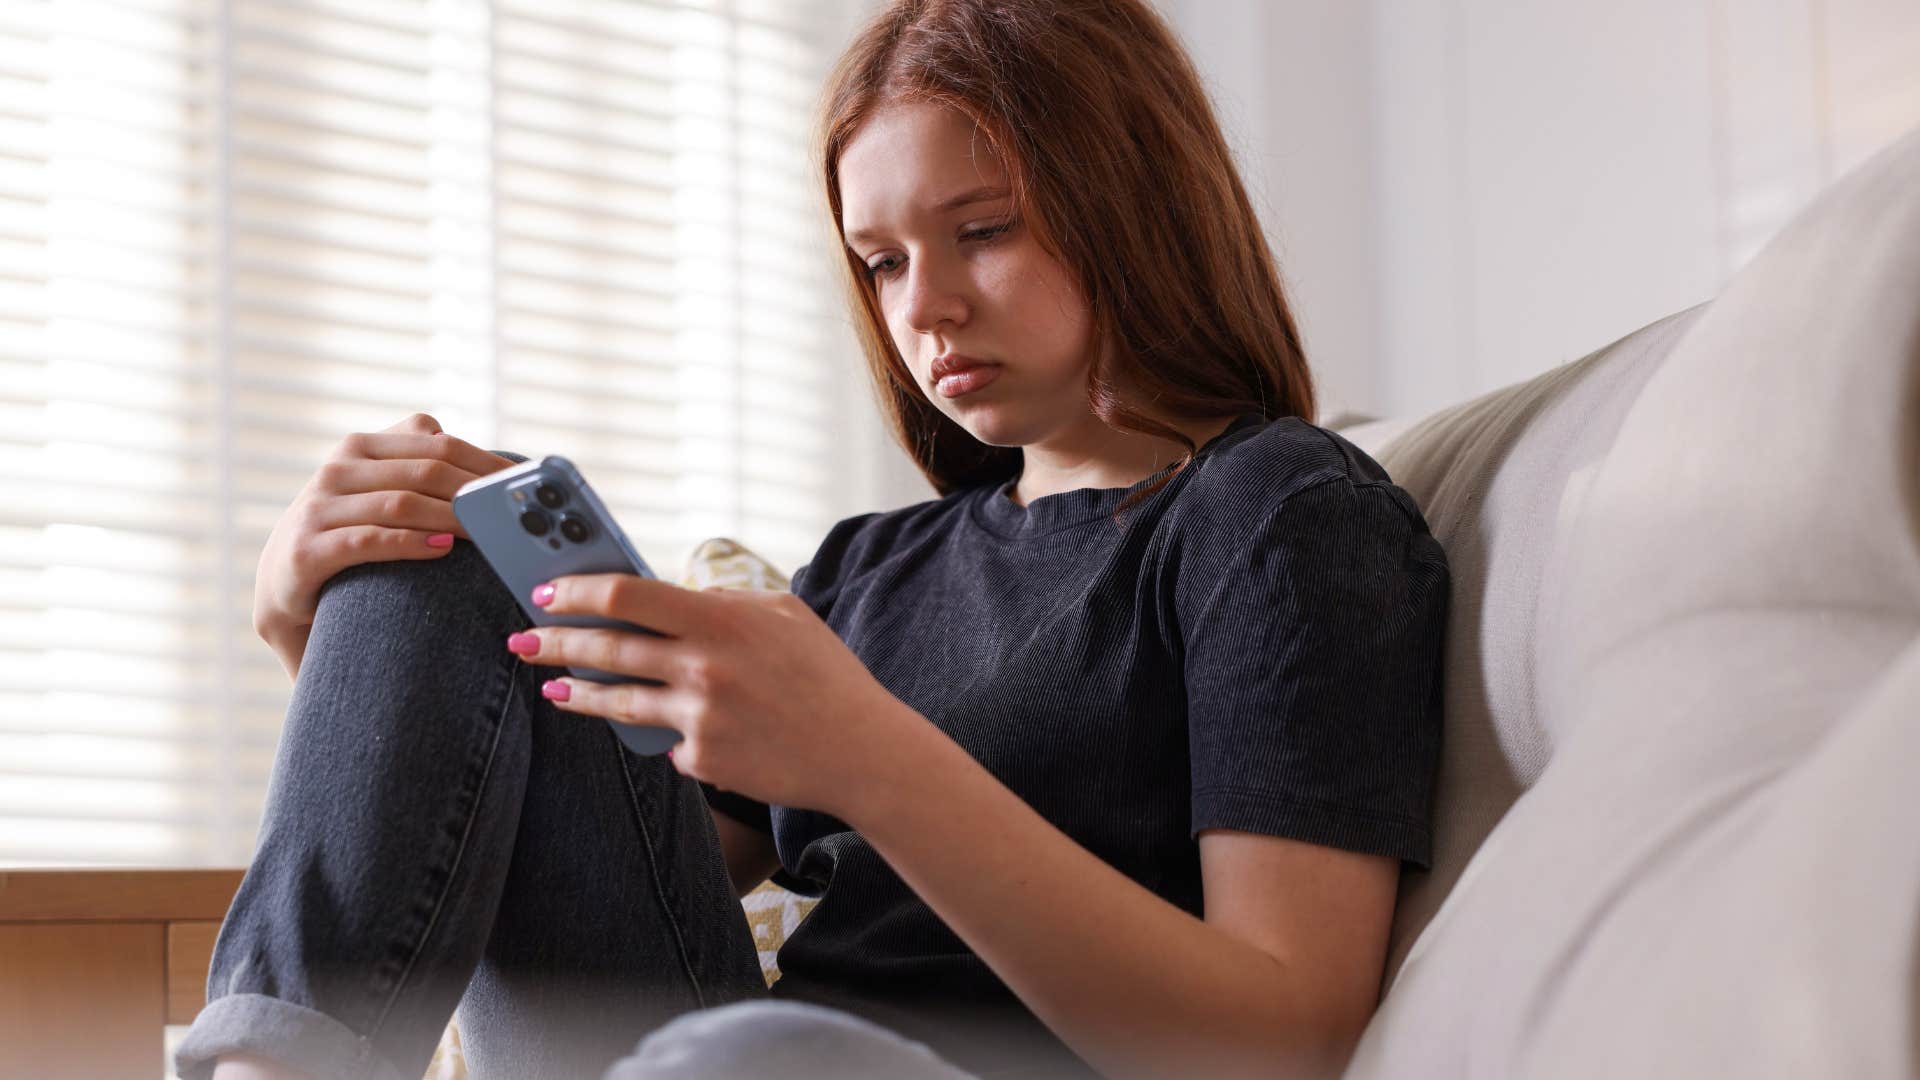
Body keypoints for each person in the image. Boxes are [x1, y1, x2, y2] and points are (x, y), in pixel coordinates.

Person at [176, 0, 1450, 1077]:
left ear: (1136, 199)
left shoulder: (1277, 513)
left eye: (985, 230)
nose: (927, 306)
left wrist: (871, 757)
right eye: (880, 261)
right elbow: (541, 850)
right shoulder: (873, 567)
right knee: (454, 550)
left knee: (737, 1058)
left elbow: (1288, 1035)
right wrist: (314, 632)